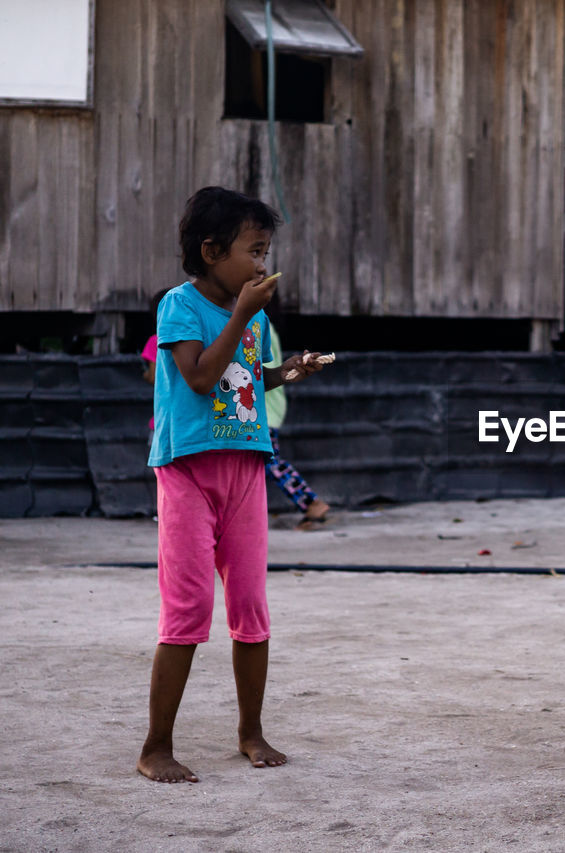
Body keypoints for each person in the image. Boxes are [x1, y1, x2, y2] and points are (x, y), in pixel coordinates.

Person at [138, 186, 329, 783]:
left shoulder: (254, 315)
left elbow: (241, 378)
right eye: (254, 250)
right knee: (189, 609)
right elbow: (198, 377)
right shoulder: (180, 307)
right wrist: (244, 316)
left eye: (266, 250)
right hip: (190, 470)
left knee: (250, 606)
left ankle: (251, 732)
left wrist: (284, 371)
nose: (262, 263)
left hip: (246, 467)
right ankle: (156, 747)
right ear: (213, 250)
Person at [263, 318, 330, 530]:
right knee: (266, 459)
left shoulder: (257, 323)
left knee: (269, 460)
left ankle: (311, 502)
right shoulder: (264, 324)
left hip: (264, 405)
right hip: (266, 402)